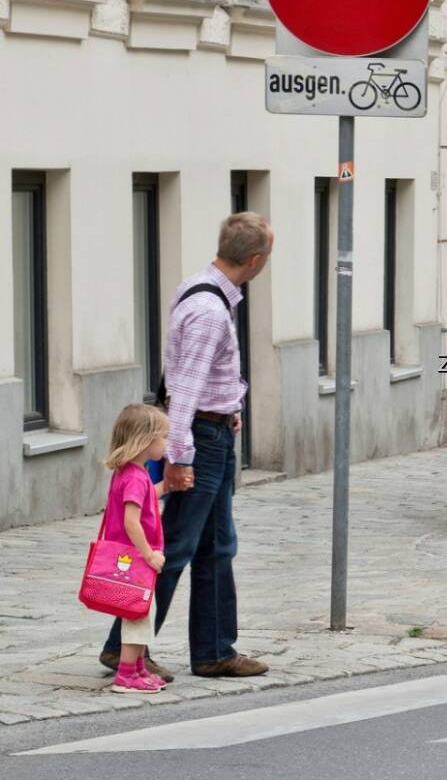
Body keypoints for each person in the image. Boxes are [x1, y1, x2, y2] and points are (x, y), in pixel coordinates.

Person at [99, 212, 274, 681]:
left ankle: (215, 650)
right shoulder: (209, 310)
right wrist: (178, 457)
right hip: (199, 439)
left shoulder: (203, 288)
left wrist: (229, 405)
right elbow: (186, 387)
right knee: (172, 546)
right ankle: (124, 649)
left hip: (213, 432)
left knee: (217, 546)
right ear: (255, 259)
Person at [99, 404, 171, 694]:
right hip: (133, 558)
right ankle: (127, 674)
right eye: (163, 437)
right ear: (146, 440)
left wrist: (165, 487)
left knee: (142, 611)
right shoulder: (135, 476)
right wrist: (149, 553)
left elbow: (143, 501)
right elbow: (132, 521)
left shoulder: (130, 473)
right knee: (138, 614)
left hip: (130, 556)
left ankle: (138, 668)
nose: (166, 443)